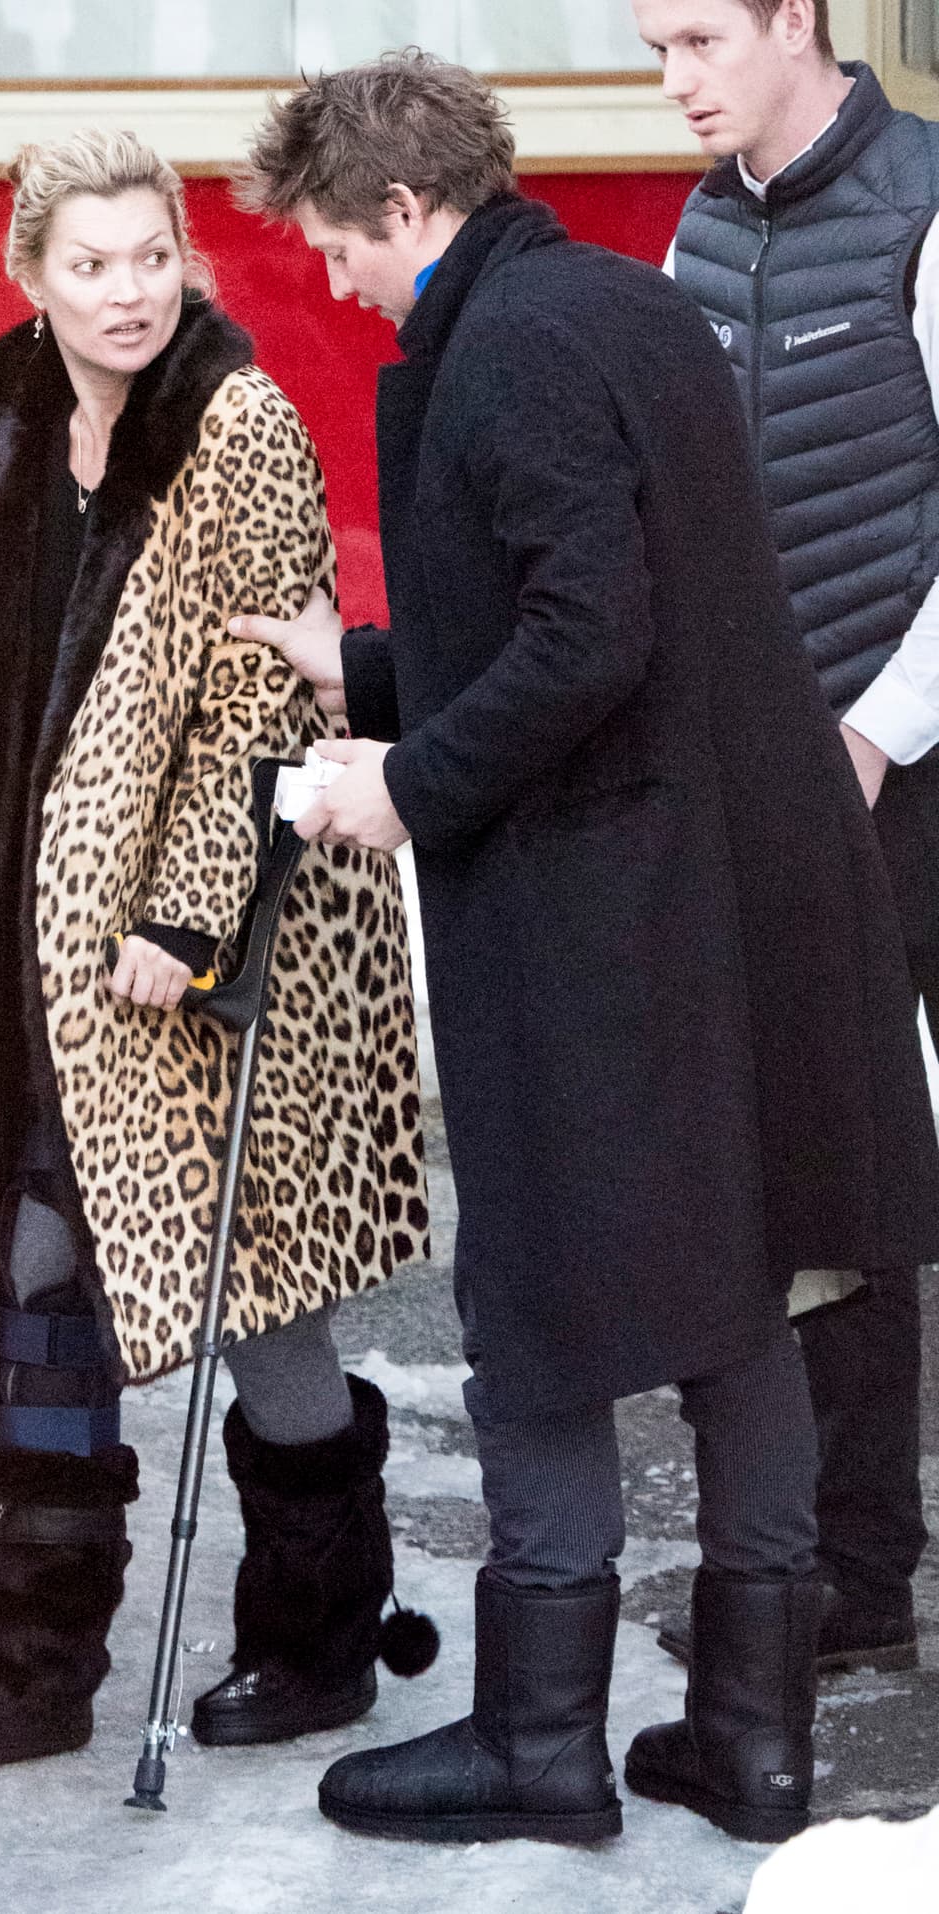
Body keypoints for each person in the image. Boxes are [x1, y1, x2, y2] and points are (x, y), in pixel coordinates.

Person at [233, 49, 939, 1847]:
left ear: (407, 207)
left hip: (609, 908)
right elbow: (626, 598)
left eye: (339, 246)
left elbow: (586, 635)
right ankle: (755, 1738)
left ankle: (539, 1745)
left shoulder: (510, 352)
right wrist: (374, 661)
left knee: (538, 1305)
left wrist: (405, 778)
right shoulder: (626, 309)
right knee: (747, 1294)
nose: (336, 284)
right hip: (737, 880)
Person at [0, 129, 434, 1771]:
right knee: (44, 1281)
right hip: (48, 949)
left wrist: (184, 916)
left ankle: (319, 1635)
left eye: (150, 258)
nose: (127, 293)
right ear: (31, 278)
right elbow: (6, 700)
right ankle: (31, 1659)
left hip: (213, 935)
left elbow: (267, 692)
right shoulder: (17, 426)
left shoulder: (238, 426)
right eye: (90, 264)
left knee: (251, 1292)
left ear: (185, 261)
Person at [642, 0, 938, 1679]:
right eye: (652, 50)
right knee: (837, 1167)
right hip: (793, 783)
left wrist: (878, 731)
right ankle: (854, 1572)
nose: (675, 81)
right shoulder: (702, 232)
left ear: (800, 18)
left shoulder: (923, 206)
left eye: (697, 37)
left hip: (908, 758)